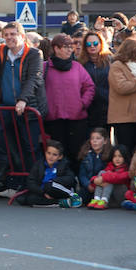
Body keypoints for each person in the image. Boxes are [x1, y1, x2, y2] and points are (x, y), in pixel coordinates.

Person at [0, 22, 45, 197]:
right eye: (6, 34)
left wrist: (23, 100)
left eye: (12, 34)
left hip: (30, 107)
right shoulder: (0, 52)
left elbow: (34, 79)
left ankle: (33, 185)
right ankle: (8, 164)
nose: (9, 38)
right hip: (7, 105)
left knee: (29, 146)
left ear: (22, 36)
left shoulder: (34, 54)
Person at [43, 34, 95, 171]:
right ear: (56, 48)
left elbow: (89, 87)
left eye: (70, 47)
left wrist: (82, 103)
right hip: (54, 120)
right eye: (65, 47)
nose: (70, 50)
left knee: (77, 153)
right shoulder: (45, 68)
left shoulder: (77, 67)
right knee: (58, 154)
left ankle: (77, 183)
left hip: (77, 119)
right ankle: (59, 181)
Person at [107, 38, 136, 152]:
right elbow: (121, 87)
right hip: (123, 118)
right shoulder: (117, 66)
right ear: (133, 53)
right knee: (125, 150)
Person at [13, 140, 81, 207]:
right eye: (49, 153)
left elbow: (70, 179)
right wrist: (43, 192)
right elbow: (30, 181)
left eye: (54, 155)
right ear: (45, 153)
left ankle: (73, 196)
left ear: (60, 157)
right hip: (44, 192)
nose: (50, 157)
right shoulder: (39, 165)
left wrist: (53, 181)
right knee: (30, 199)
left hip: (58, 191)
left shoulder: (64, 165)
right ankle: (59, 202)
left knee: (49, 185)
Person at [81, 31, 112, 131]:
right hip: (89, 108)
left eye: (95, 43)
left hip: (108, 107)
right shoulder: (81, 63)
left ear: (101, 44)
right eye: (88, 44)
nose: (92, 46)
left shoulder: (110, 60)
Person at [87, 144, 130, 209]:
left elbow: (119, 177)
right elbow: (99, 176)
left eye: (120, 156)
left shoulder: (127, 169)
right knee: (102, 172)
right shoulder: (110, 166)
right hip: (111, 197)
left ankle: (104, 200)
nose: (117, 159)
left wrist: (103, 178)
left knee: (109, 177)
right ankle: (97, 198)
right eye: (115, 156)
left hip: (120, 197)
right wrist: (94, 180)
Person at [77, 128, 111, 204]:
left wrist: (97, 184)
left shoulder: (109, 156)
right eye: (92, 139)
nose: (94, 141)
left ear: (105, 141)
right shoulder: (86, 155)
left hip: (102, 186)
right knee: (79, 198)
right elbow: (82, 175)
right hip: (89, 186)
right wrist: (88, 184)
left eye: (98, 138)